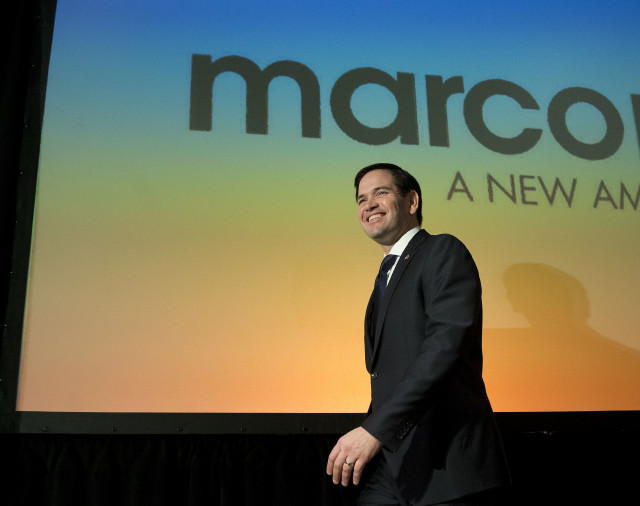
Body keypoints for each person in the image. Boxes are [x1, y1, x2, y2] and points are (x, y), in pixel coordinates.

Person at [326, 163, 510, 505]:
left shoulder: (441, 251)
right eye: (362, 199)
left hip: (447, 462)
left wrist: (375, 431)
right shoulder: (387, 275)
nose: (369, 204)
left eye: (381, 193)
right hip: (396, 464)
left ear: (412, 202)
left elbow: (444, 348)